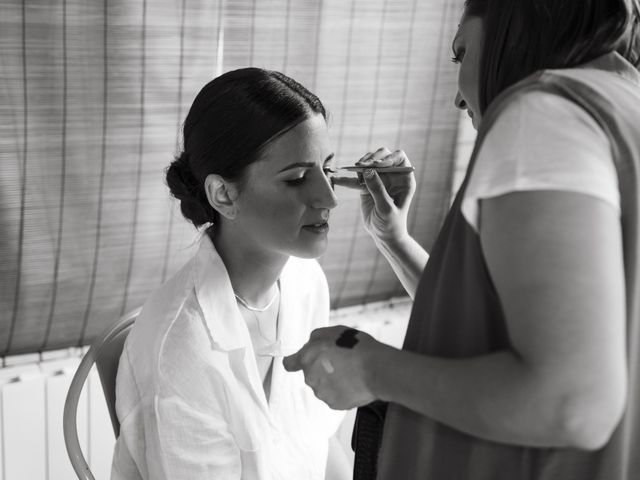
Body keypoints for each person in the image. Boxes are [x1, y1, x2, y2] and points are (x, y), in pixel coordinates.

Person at [284, 0, 640, 478]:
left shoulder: (543, 115)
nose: (456, 97)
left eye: (460, 52)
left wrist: (373, 370)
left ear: (515, 25)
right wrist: (394, 239)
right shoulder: (620, 104)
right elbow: (522, 321)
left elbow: (570, 403)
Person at [110, 68, 351, 480]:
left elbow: (318, 444)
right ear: (223, 195)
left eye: (326, 170)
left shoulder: (305, 282)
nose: (329, 197)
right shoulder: (182, 352)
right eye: (296, 179)